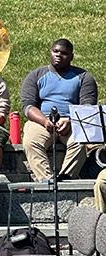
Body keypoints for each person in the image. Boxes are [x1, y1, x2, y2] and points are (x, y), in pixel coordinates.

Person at [21, 39, 99, 182]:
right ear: (50, 52)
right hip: (42, 121)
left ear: (71, 57)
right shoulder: (36, 75)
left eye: (64, 53)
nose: (58, 55)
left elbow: (88, 107)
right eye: (55, 51)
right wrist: (44, 121)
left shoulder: (83, 77)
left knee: (82, 141)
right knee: (30, 141)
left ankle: (65, 178)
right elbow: (27, 106)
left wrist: (70, 120)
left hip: (72, 122)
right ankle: (46, 179)